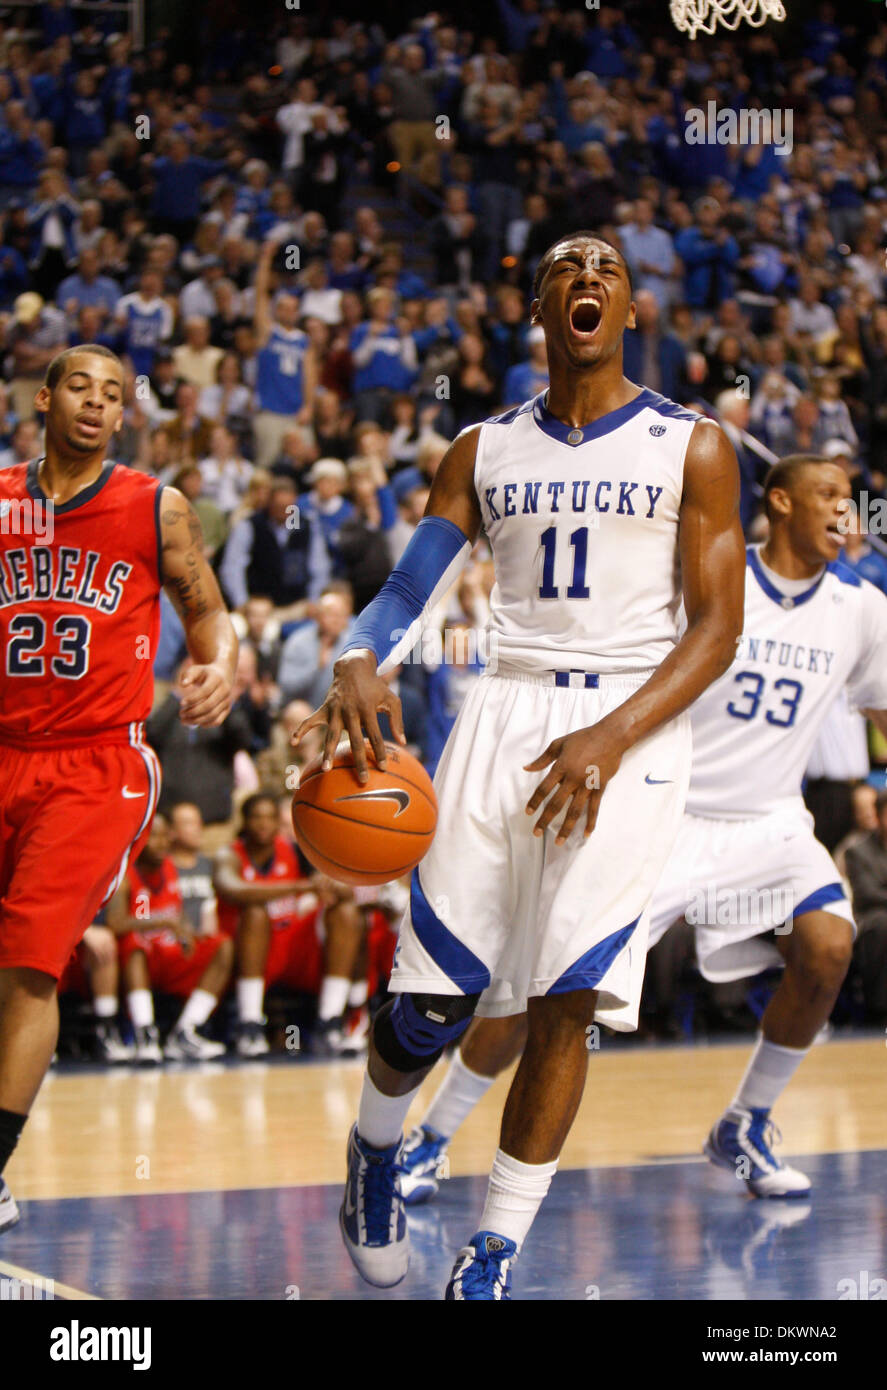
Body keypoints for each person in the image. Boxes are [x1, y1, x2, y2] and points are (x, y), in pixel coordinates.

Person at [294, 231, 745, 1298]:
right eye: (561, 269)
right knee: (435, 1004)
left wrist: (611, 734)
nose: (584, 278)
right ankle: (372, 1146)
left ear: (628, 307)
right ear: (538, 309)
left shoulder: (695, 444)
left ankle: (491, 1251)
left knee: (565, 999)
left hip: (628, 727)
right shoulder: (481, 446)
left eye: (604, 270)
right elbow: (407, 588)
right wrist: (356, 653)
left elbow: (716, 630)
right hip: (503, 710)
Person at [400, 456, 887, 1208]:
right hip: (664, 810)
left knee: (827, 947)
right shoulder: (707, 582)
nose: (844, 511)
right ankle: (428, 1137)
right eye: (826, 494)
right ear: (779, 501)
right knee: (544, 995)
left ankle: (745, 1123)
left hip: (767, 824)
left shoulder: (861, 607)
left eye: (850, 499)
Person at [0, 344, 237, 1233]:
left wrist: (222, 666)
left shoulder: (154, 506)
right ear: (44, 397)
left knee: (29, 966)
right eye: (80, 389)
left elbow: (207, 610)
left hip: (94, 762)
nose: (97, 406)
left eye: (114, 395)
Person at [213, 793, 365, 1057]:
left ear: (278, 823)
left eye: (270, 817)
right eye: (256, 817)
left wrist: (330, 887)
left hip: (293, 951)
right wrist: (298, 886)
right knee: (256, 913)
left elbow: (343, 890)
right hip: (246, 952)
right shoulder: (229, 854)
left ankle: (329, 1021)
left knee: (347, 914)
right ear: (245, 822)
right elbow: (230, 889)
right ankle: (250, 1024)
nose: (263, 824)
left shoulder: (295, 849)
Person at [107, 814, 233, 1063]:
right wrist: (162, 922)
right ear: (138, 838)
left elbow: (178, 915)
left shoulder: (170, 866)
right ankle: (145, 1033)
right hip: (136, 963)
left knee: (222, 945)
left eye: (165, 835)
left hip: (169, 956)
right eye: (154, 835)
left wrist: (189, 934)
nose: (162, 842)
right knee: (135, 943)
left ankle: (186, 1031)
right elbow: (116, 924)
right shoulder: (125, 874)